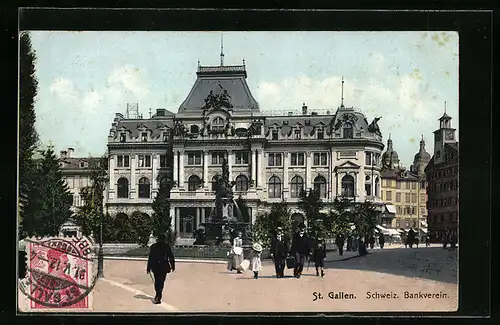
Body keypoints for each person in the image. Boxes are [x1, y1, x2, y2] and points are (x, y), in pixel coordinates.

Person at [147, 233, 176, 304]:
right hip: (163, 266)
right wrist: (173, 265)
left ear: (158, 239)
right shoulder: (166, 246)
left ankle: (158, 295)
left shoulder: (153, 246)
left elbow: (151, 258)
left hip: (156, 266)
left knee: (157, 282)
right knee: (161, 281)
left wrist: (148, 267)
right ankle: (158, 296)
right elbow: (171, 257)